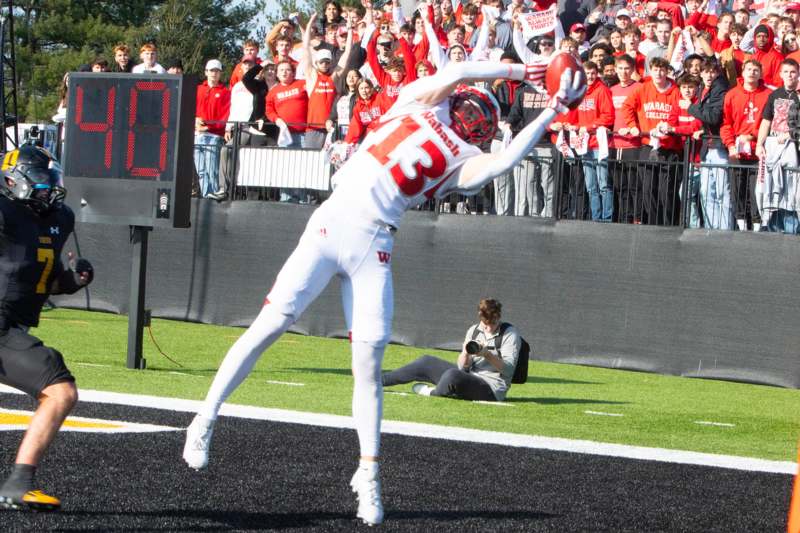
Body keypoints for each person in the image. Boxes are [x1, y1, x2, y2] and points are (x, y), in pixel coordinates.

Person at [182, 60, 586, 527]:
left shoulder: (419, 104)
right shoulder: (453, 143)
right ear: (479, 126)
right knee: (337, 358)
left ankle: (357, 470)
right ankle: (214, 422)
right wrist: (550, 109)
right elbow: (507, 156)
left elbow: (460, 73)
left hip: (353, 233)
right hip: (360, 237)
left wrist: (520, 74)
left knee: (318, 347)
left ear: (458, 102)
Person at [0, 145, 94, 511]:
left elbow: (43, 280)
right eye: (39, 179)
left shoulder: (57, 219)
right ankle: (17, 483)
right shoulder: (5, 211)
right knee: (59, 388)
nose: (48, 188)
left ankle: (18, 484)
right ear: (13, 180)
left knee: (59, 391)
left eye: (51, 180)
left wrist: (73, 280)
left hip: (11, 326)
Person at [382, 299, 520, 401]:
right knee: (426, 361)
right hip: (469, 376)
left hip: (491, 388)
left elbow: (508, 370)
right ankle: (379, 381)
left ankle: (433, 392)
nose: (489, 328)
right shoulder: (474, 330)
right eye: (485, 325)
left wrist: (487, 354)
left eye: (493, 323)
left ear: (499, 317)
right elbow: (462, 367)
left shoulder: (510, 334)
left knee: (452, 376)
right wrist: (465, 353)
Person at [755, 58, 800, 233]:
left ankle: (792, 232)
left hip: (793, 149)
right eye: (786, 72)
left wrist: (789, 134)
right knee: (771, 190)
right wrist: (760, 144)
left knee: (791, 191)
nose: (790, 75)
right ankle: (773, 230)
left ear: (798, 74)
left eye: (793, 72)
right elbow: (766, 122)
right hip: (773, 145)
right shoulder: (774, 95)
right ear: (780, 74)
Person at [194, 59, 231, 200]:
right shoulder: (198, 89)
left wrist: (209, 126)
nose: (214, 73)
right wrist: (195, 121)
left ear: (221, 73)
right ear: (206, 72)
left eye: (217, 71)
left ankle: (215, 192)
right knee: (200, 169)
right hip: (196, 133)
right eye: (211, 70)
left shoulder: (225, 92)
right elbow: (190, 108)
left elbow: (225, 115)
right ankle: (205, 194)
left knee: (211, 168)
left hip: (213, 135)